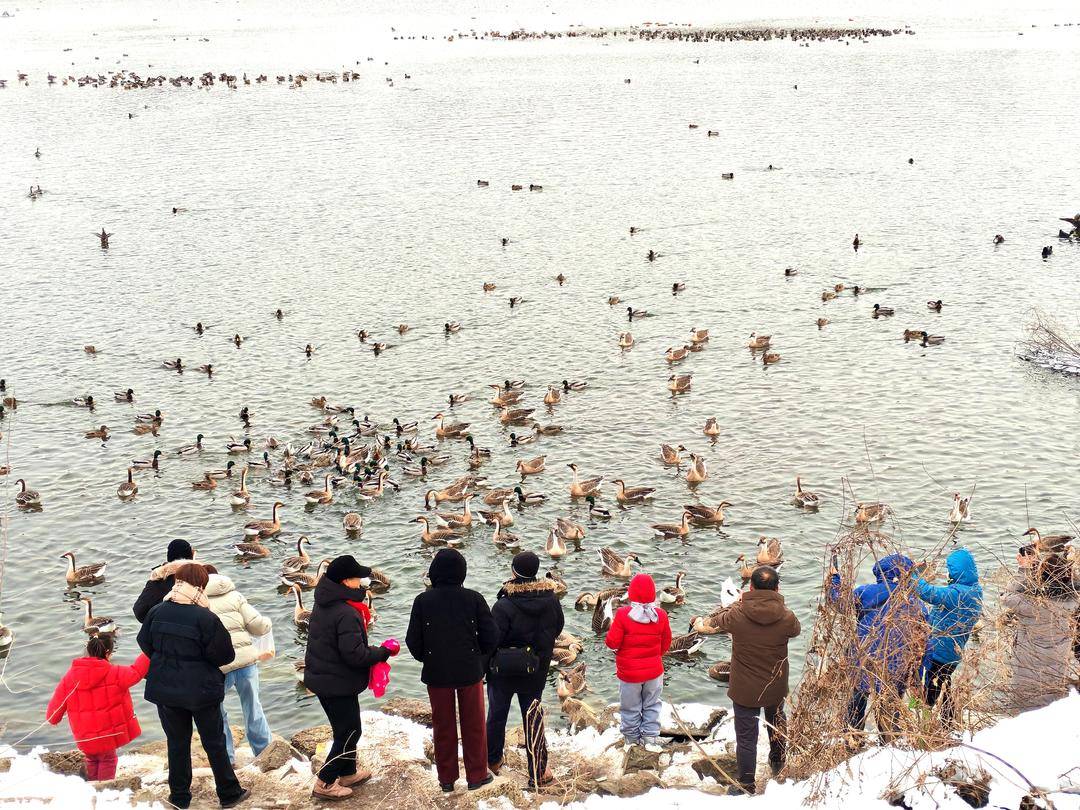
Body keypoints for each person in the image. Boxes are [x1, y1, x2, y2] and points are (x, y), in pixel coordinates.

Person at [136, 563, 248, 809]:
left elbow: (144, 643)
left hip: (166, 690)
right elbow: (225, 656)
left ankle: (179, 798)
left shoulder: (157, 611)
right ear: (201, 586)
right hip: (201, 691)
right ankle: (229, 793)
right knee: (214, 742)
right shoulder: (206, 617)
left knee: (176, 743)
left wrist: (167, 658)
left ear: (177, 582)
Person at [406, 548, 497, 793]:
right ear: (461, 572)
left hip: (437, 672)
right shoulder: (474, 598)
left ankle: (446, 779)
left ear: (434, 572)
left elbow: (413, 640)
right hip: (469, 670)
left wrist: (428, 658)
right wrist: (480, 658)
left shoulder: (422, 600)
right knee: (474, 723)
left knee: (442, 725)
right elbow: (491, 636)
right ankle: (476, 775)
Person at [703, 566, 800, 795]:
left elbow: (715, 621)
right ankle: (778, 768)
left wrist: (739, 602)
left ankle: (746, 784)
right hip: (774, 686)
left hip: (745, 688)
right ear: (777, 588)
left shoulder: (737, 614)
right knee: (777, 725)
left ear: (751, 587)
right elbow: (795, 631)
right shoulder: (787, 616)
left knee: (746, 737)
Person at [304, 555, 394, 801]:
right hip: (336, 682)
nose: (362, 581)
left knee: (346, 728)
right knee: (349, 732)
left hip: (325, 678)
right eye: (357, 578)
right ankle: (325, 781)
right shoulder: (346, 612)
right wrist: (382, 653)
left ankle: (348, 772)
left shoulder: (325, 602)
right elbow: (355, 655)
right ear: (345, 581)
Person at [485, 551, 564, 788]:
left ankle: (493, 761)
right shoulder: (551, 600)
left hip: (503, 670)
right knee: (533, 718)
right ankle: (539, 771)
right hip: (536, 669)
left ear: (513, 572)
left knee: (497, 715)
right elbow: (557, 628)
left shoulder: (503, 604)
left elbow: (492, 639)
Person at [830, 554, 927, 737]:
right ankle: (888, 747)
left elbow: (838, 602)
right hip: (898, 664)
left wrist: (834, 578)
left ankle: (852, 743)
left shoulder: (866, 592)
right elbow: (922, 644)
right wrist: (917, 675)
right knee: (890, 709)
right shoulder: (916, 603)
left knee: (857, 702)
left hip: (864, 659)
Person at [46, 635, 150, 782]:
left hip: (84, 738)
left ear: (88, 651)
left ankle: (93, 789)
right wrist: (149, 651)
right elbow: (137, 672)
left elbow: (53, 715)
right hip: (106, 738)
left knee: (92, 759)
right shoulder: (115, 673)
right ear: (107, 653)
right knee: (107, 760)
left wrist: (54, 718)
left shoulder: (69, 677)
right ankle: (103, 792)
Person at [203, 565, 274, 764]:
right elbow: (258, 625)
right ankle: (264, 751)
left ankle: (227, 757)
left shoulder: (198, 601)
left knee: (216, 710)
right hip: (245, 662)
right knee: (253, 706)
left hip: (218, 666)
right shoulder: (235, 596)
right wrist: (268, 623)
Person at [1000, 544, 1080, 711]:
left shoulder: (1030, 606)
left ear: (1041, 578)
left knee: (1025, 710)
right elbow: (1071, 583)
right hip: (1058, 665)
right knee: (1052, 707)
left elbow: (1006, 596)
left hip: (1027, 668)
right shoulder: (1073, 602)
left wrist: (1025, 570)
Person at [913, 548, 982, 725]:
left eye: (950, 570)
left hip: (940, 650)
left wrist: (913, 574)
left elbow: (928, 593)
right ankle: (948, 720)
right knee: (944, 682)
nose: (948, 573)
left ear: (957, 571)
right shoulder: (974, 590)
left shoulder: (958, 594)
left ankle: (927, 725)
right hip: (953, 650)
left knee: (931, 689)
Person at [604, 573, 672, 750]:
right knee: (652, 704)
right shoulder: (661, 615)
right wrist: (655, 657)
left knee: (630, 707)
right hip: (654, 671)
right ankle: (650, 738)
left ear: (631, 593)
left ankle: (631, 739)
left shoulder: (623, 614)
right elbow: (666, 643)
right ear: (653, 593)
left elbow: (612, 642)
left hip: (629, 673)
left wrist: (620, 652)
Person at [133, 539, 194, 623]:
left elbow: (139, 611)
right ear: (191, 555)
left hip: (163, 630)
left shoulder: (158, 580)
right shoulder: (204, 576)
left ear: (169, 557)